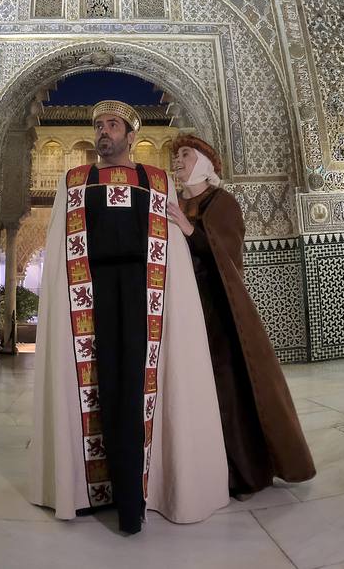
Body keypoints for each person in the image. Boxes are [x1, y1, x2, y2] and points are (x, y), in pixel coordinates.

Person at [29, 100, 228, 534]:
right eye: (99, 125)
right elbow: (63, 245)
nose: (104, 131)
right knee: (97, 387)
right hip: (89, 298)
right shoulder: (74, 179)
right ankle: (89, 492)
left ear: (131, 137)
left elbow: (171, 247)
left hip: (145, 298)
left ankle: (135, 498)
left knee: (139, 390)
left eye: (113, 125)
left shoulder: (155, 181)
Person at [165, 135, 315, 497]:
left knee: (228, 392)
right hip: (185, 312)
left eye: (185, 154)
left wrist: (188, 230)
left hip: (220, 314)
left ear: (204, 163)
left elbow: (226, 255)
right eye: (176, 156)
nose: (178, 161)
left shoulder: (222, 201)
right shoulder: (178, 205)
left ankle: (243, 472)